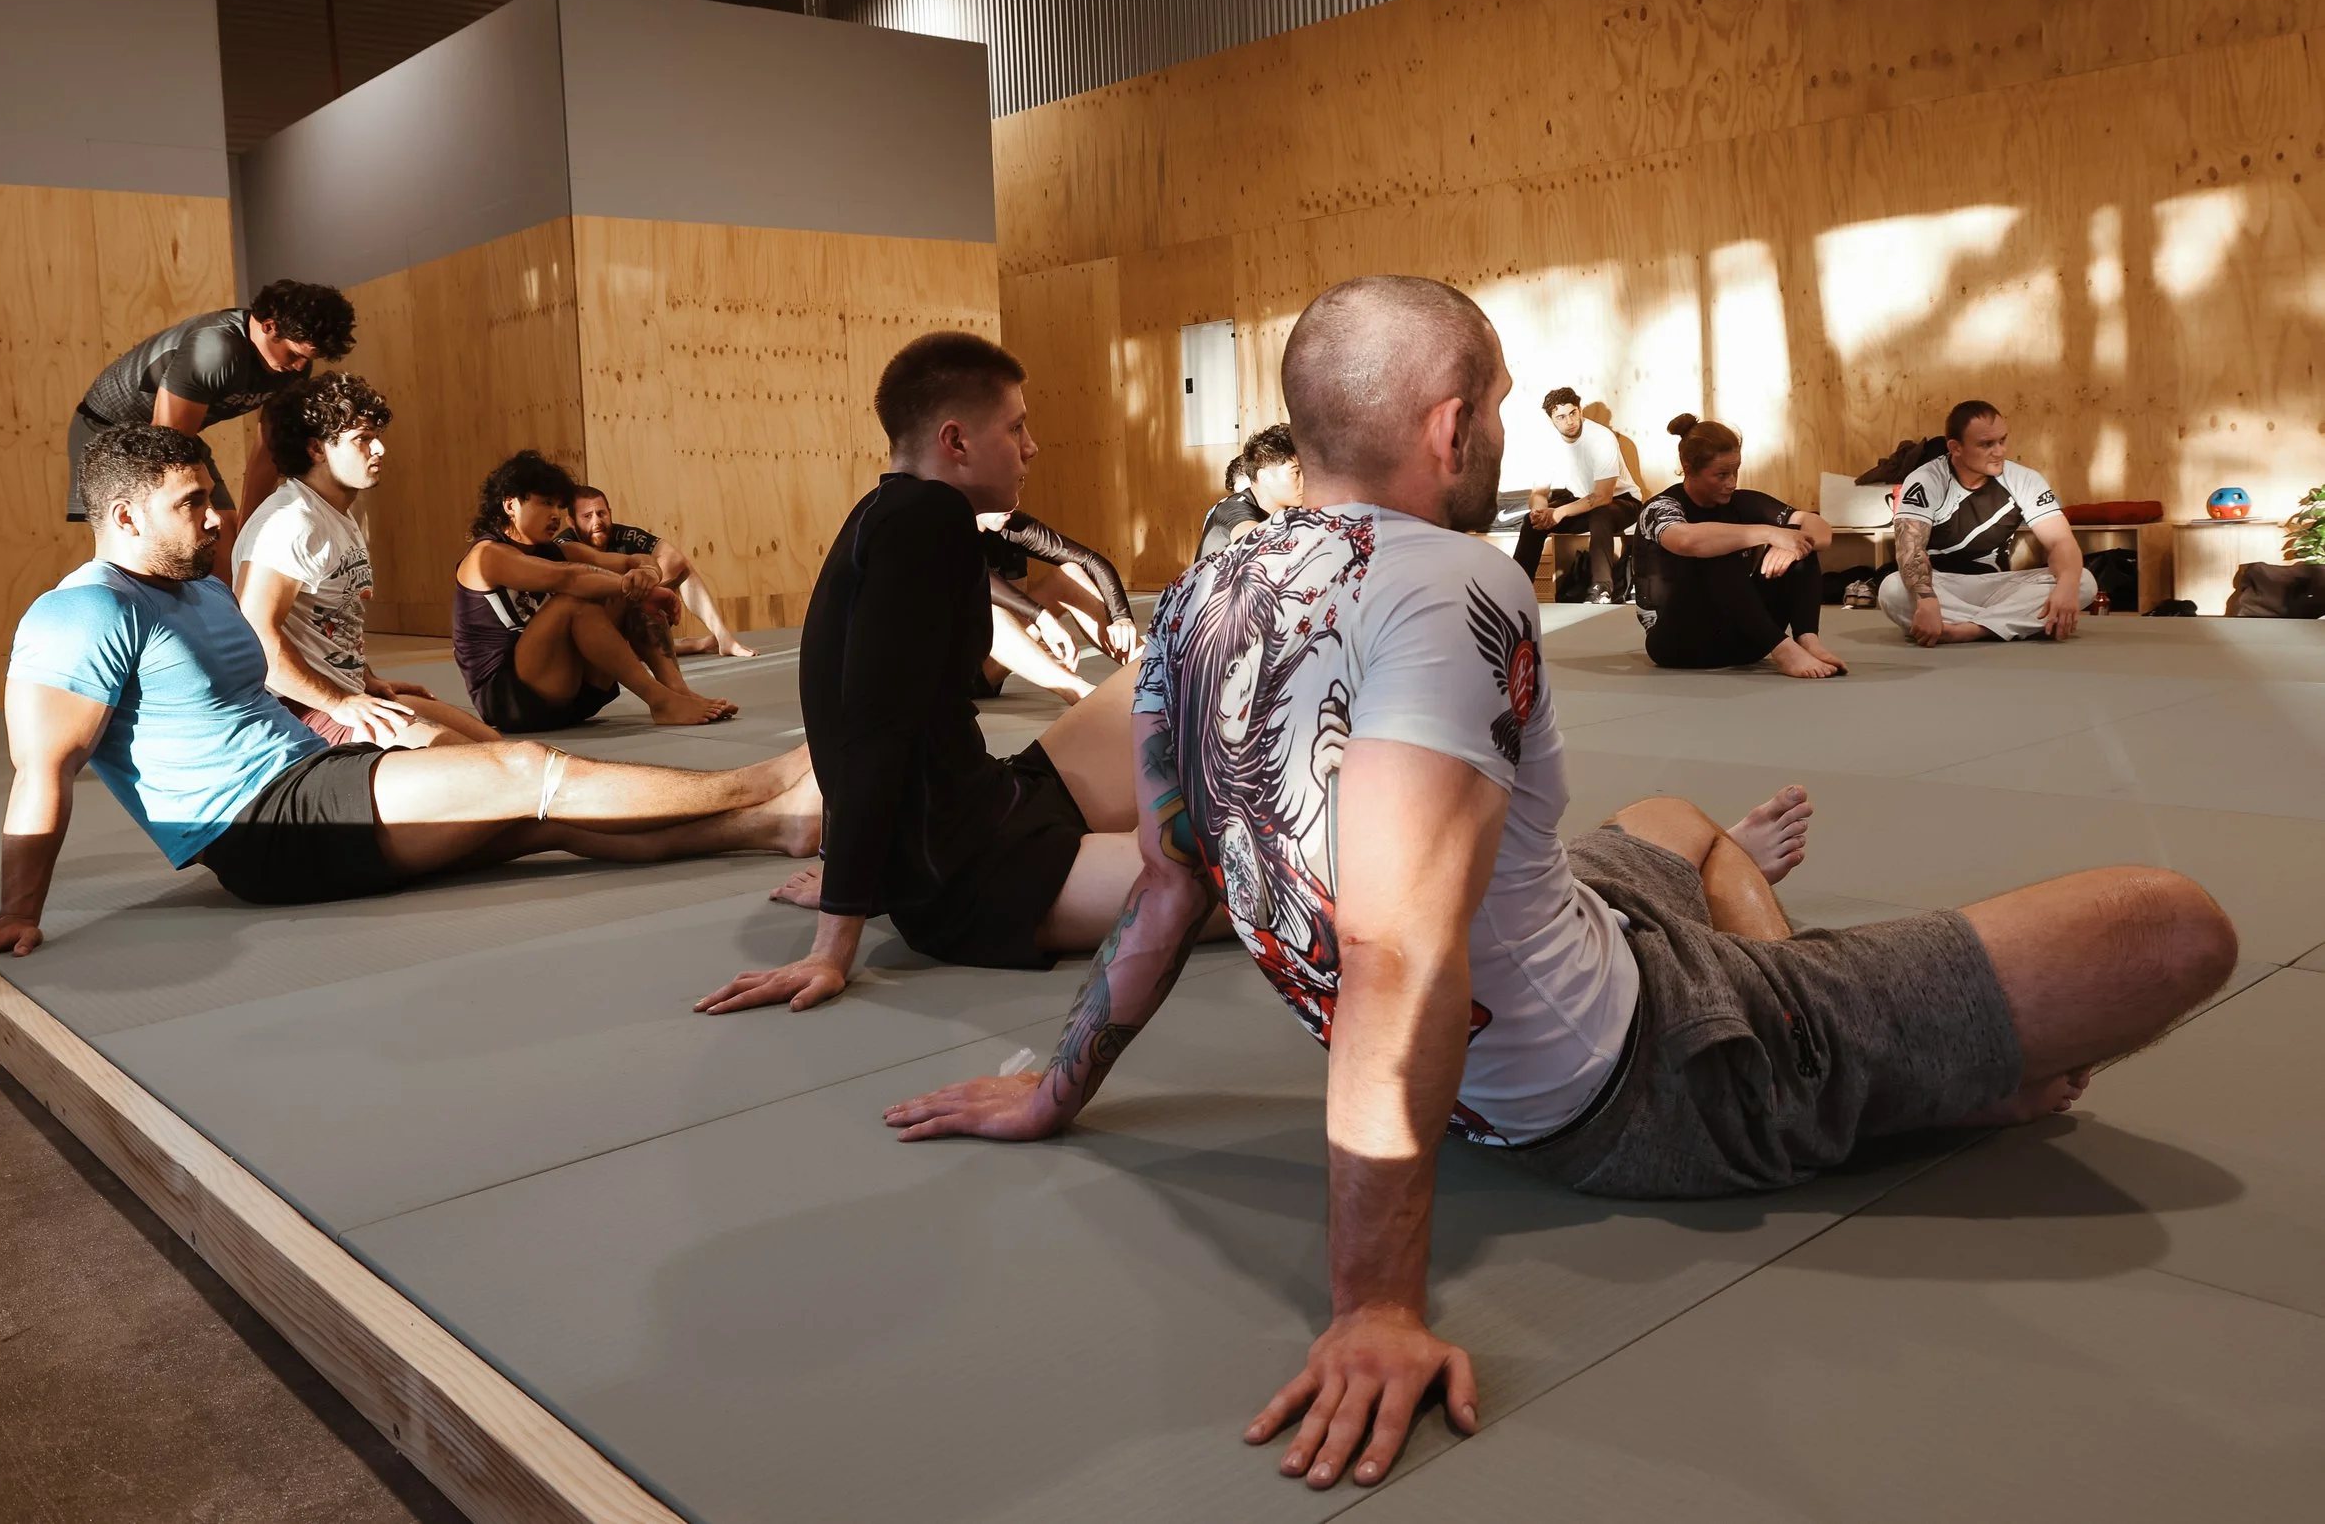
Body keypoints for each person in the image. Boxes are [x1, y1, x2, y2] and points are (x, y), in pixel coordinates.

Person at [883, 276, 2234, 1493]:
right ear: (1450, 422)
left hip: (1569, 939)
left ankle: (1766, 935)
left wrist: (1057, 1086)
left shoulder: (1198, 592)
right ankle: (1846, 1047)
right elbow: (1400, 947)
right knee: (2173, 923)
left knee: (1665, 818)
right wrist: (1373, 1303)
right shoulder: (1460, 581)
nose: (1509, 435)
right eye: (1506, 411)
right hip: (1649, 1071)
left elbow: (1178, 885)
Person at [0, 425, 818, 995]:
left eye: (213, 495)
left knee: (530, 825)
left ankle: (770, 831)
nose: (216, 518)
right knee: (525, 773)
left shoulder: (191, 587)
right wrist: (19, 910)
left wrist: (365, 695)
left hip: (309, 773)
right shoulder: (83, 612)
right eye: (192, 503)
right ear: (122, 516)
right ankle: (769, 782)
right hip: (261, 824)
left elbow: (250, 685)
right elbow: (43, 770)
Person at [697, 332, 1221, 1010]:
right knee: (1260, 880)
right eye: (1017, 426)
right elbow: (870, 736)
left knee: (1173, 665)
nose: (1031, 446)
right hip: (973, 874)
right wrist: (838, 932)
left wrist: (854, 876)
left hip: (996, 799)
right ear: (957, 441)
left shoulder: (892, 510)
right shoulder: (926, 521)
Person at [233, 373, 499, 748]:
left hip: (346, 697)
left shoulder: (336, 515)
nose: (380, 450)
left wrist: (366, 679)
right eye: (363, 439)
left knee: (497, 749)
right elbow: (257, 637)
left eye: (377, 436)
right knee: (483, 770)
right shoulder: (290, 522)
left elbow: (331, 619)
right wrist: (337, 701)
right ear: (316, 449)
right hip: (301, 713)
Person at [69, 281, 357, 579]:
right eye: (294, 354)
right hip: (108, 432)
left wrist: (249, 533)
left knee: (225, 541)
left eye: (308, 359)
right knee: (158, 540)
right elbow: (164, 445)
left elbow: (268, 451)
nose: (299, 367)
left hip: (174, 436)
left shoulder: (293, 368)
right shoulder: (216, 348)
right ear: (269, 326)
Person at [454, 452, 736, 732]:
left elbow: (634, 560)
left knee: (628, 593)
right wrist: (633, 586)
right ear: (510, 504)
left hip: (575, 694)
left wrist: (647, 576)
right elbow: (569, 577)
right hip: (513, 701)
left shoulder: (559, 549)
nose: (555, 515)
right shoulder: (486, 556)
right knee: (576, 603)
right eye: (545, 503)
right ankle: (660, 700)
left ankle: (677, 691)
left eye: (558, 506)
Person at [1634, 414, 1847, 678]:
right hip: (1678, 643)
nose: (1731, 482)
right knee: (1713, 548)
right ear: (1689, 469)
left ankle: (1807, 640)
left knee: (1799, 540)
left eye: (1735, 471)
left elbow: (1817, 526)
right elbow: (1686, 540)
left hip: (1747, 639)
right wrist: (1769, 533)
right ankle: (1784, 651)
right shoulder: (1660, 507)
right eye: (1721, 474)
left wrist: (1792, 543)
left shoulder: (1740, 502)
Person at [1880, 400, 2086, 644]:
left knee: (2082, 580)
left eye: (2002, 440)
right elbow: (1910, 550)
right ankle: (2008, 623)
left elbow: (2061, 541)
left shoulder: (2025, 480)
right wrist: (1926, 600)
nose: (1999, 451)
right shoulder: (1925, 479)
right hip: (1942, 586)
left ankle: (1968, 630)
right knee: (1892, 589)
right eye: (1986, 444)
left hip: (1998, 587)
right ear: (1955, 447)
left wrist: (2067, 584)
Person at [568, 486, 756, 658]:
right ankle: (694, 646)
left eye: (601, 513)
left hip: (626, 611)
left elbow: (674, 559)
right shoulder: (563, 546)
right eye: (587, 516)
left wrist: (647, 585)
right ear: (572, 522)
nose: (597, 521)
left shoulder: (623, 534)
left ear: (610, 513)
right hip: (588, 625)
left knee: (684, 570)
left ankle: (723, 637)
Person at [979, 508, 1140, 703]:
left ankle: (1152, 667)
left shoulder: (1008, 521)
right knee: (993, 610)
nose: (1012, 504)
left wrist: (1121, 617)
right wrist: (1041, 617)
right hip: (956, 675)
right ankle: (1079, 691)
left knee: (1069, 574)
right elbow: (979, 578)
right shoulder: (941, 530)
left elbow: (1091, 560)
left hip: (995, 653)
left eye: (1018, 486)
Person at [1509, 386, 1639, 602]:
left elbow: (1603, 496)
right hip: (1582, 501)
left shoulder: (1600, 437)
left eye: (1572, 413)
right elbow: (1540, 491)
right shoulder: (1548, 443)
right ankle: (1516, 589)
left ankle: (1601, 588)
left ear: (1579, 411)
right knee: (1531, 522)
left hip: (1622, 502)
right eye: (1561, 416)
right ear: (1552, 419)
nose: (1569, 421)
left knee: (1601, 514)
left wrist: (1558, 513)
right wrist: (1540, 511)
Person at [1197, 423, 1303, 559]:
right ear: (1264, 477)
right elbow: (1260, 544)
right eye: (1296, 473)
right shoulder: (1232, 507)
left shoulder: (1292, 508)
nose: (1305, 480)